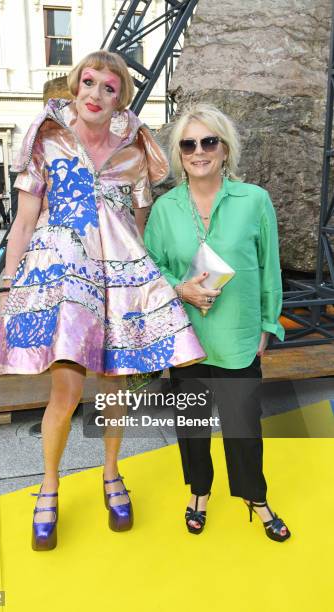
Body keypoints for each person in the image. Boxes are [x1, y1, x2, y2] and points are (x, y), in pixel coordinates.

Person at [0, 51, 205, 551]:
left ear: (119, 97)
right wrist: (11, 282)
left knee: (115, 395)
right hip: (64, 280)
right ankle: (50, 485)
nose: (96, 94)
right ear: (74, 85)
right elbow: (23, 221)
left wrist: (157, 293)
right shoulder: (48, 140)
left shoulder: (137, 151)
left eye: (109, 87)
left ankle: (110, 473)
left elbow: (142, 230)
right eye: (88, 82)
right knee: (64, 394)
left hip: (122, 287)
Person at [144, 103, 291, 542]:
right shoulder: (166, 208)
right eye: (189, 144)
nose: (199, 151)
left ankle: (254, 497)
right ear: (179, 154)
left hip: (239, 333)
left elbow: (270, 267)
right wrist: (180, 287)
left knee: (244, 422)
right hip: (185, 335)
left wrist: (269, 323)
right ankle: (199, 493)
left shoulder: (255, 201)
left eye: (209, 141)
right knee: (191, 425)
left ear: (225, 149)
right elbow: (149, 268)